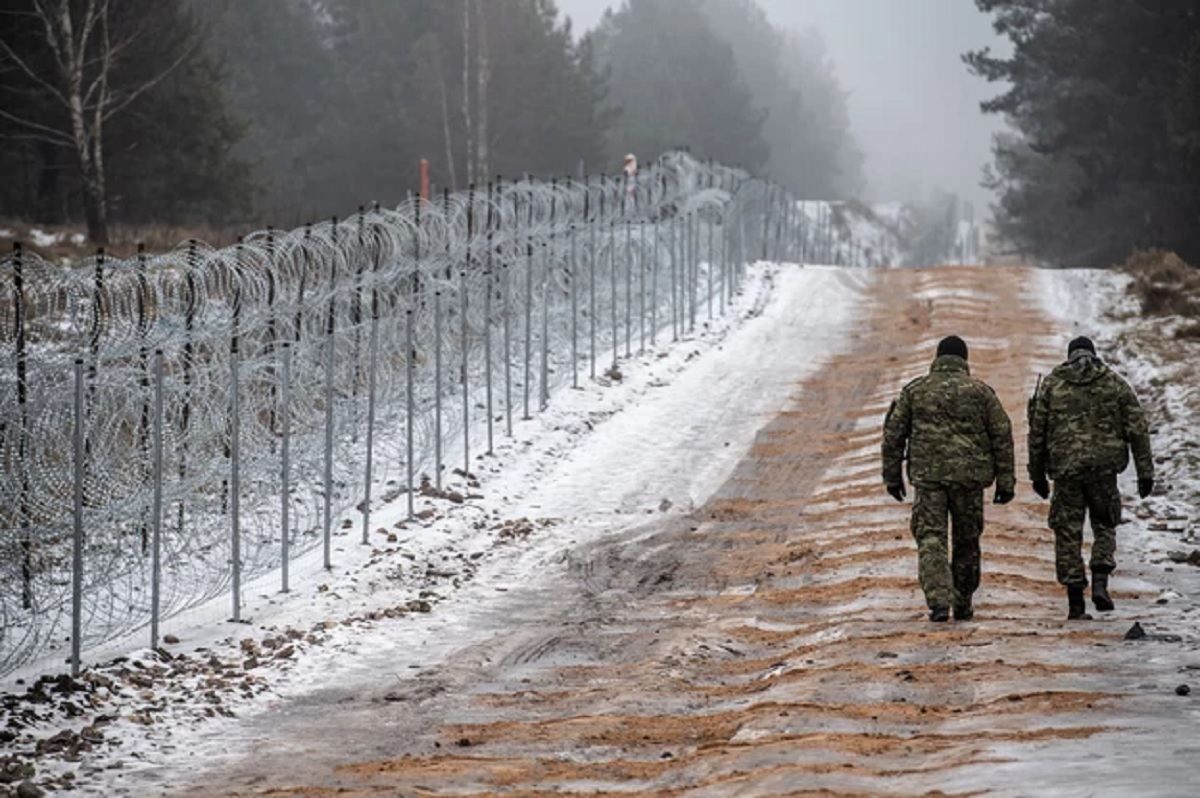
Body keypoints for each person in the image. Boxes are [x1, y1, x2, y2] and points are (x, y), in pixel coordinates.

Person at [882, 335, 1015, 622]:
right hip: (969, 480)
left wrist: (892, 477)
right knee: (967, 540)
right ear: (964, 360)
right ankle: (963, 601)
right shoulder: (981, 392)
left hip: (929, 480)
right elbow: (1001, 436)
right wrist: (1006, 481)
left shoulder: (915, 391)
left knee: (931, 538)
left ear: (937, 358)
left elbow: (893, 435)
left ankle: (939, 602)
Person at [1027, 336, 1154, 620]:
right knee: (1105, 524)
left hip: (1066, 472)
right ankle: (1100, 581)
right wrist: (1145, 472)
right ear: (1094, 355)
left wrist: (1036, 474)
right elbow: (1137, 428)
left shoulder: (1052, 385)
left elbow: (1037, 433)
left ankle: (1075, 602)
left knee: (1067, 532)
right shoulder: (1114, 383)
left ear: (1069, 356)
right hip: (1103, 471)